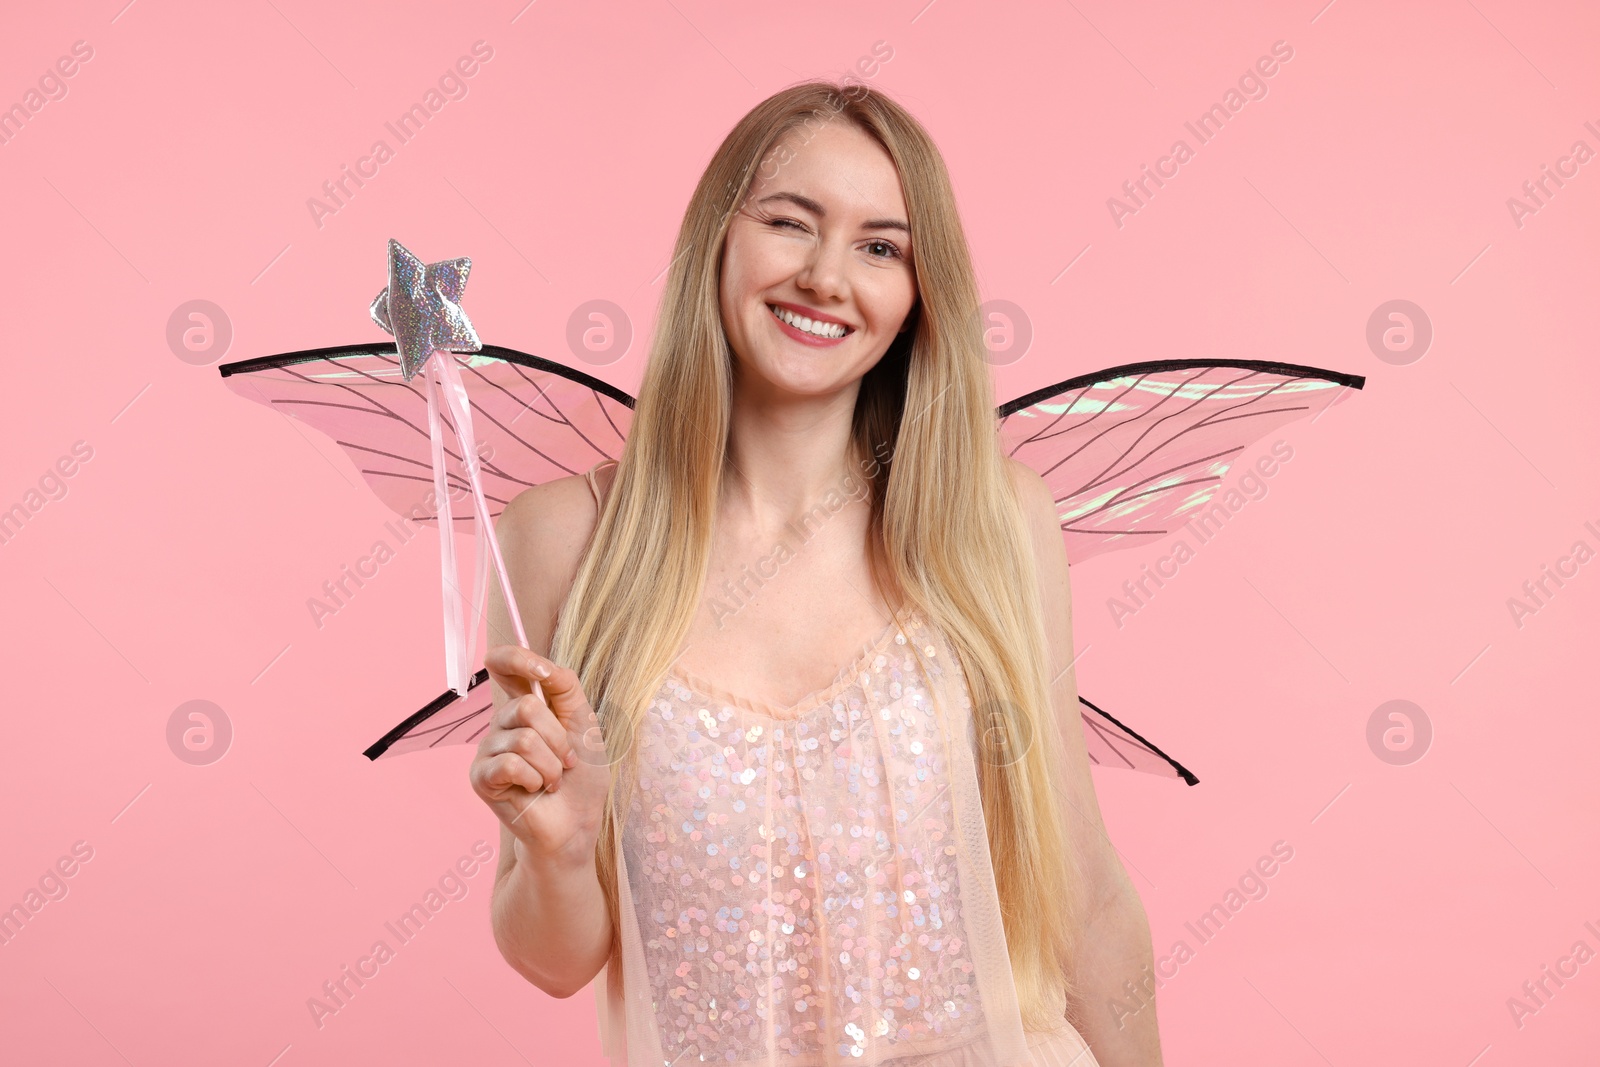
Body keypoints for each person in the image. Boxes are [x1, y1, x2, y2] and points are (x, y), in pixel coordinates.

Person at [469, 80, 1163, 1066]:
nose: (826, 277)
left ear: (921, 295)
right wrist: (559, 848)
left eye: (881, 247)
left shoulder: (994, 522)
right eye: (791, 223)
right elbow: (553, 958)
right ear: (718, 236)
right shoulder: (558, 542)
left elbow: (1084, 890)